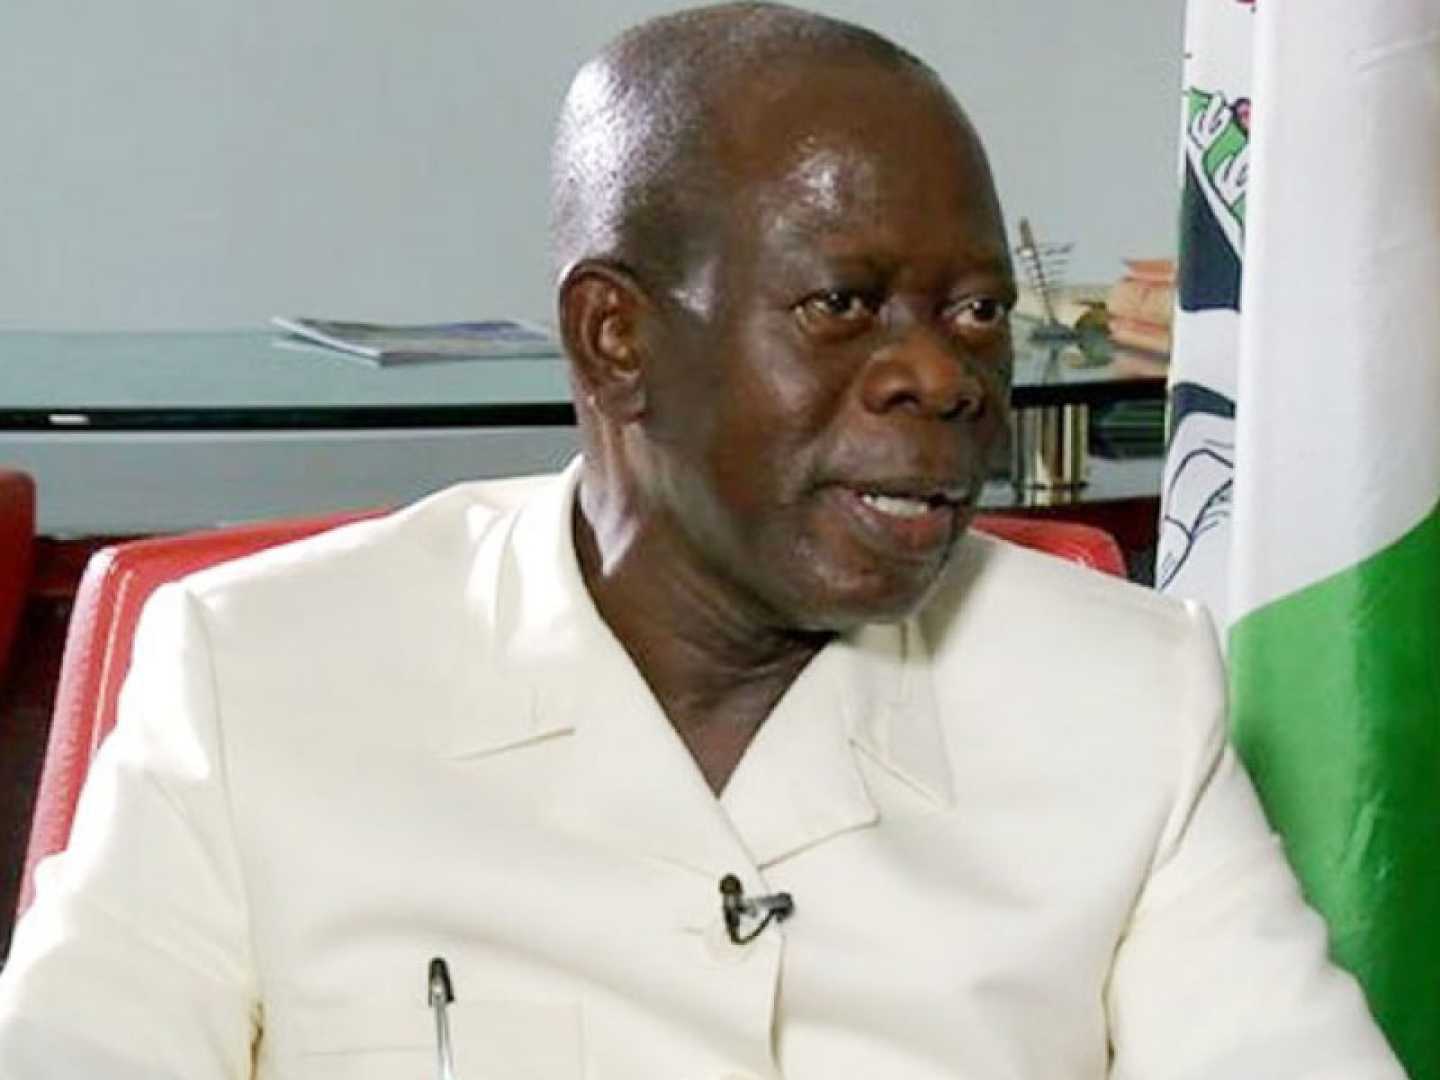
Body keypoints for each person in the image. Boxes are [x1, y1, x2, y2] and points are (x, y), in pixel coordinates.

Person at [0, 4, 1405, 1077]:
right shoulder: (261, 676)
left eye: (976, 312)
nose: (941, 377)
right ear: (616, 338)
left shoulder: (1127, 698)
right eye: (843, 305)